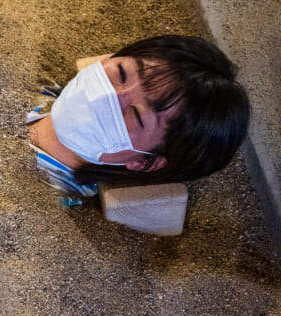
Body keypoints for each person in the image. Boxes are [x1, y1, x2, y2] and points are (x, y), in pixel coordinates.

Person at [27, 35, 250, 202]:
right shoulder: (35, 84)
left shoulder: (39, 197)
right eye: (121, 73)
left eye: (136, 115)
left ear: (144, 162)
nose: (109, 95)